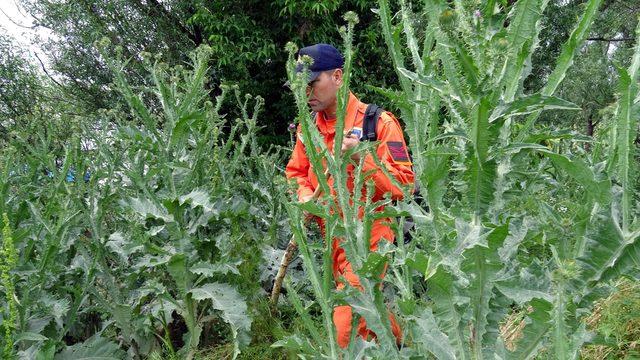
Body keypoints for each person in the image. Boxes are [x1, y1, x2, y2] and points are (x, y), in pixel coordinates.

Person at [285, 43, 414, 349]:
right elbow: (295, 174)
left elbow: (405, 185)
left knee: (344, 326)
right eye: (300, 86)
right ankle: (405, 345)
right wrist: (304, 197)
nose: (306, 93)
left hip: (372, 238)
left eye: (313, 83)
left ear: (338, 77)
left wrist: (361, 157)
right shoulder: (308, 129)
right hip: (332, 239)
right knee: (369, 308)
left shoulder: (378, 123)